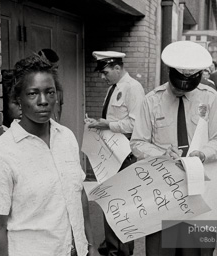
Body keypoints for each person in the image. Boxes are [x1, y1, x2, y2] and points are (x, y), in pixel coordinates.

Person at [0, 54, 100, 256]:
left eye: (50, 92)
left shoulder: (66, 137)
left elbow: (78, 194)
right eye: (33, 93)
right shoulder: (1, 155)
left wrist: (90, 245)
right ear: (18, 99)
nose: (43, 101)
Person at [130, 41, 217, 256]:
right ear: (169, 74)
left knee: (194, 250)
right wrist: (161, 154)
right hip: (162, 190)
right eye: (177, 85)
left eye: (188, 85)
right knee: (161, 250)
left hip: (199, 190)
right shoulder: (151, 101)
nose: (181, 90)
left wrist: (202, 154)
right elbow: (137, 142)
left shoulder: (210, 98)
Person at [86, 51, 145, 256]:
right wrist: (99, 125)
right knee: (110, 201)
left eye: (105, 72)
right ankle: (111, 245)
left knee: (123, 205)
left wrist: (107, 124)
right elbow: (112, 120)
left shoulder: (133, 88)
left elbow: (134, 124)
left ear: (118, 68)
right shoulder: (114, 88)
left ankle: (121, 251)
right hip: (111, 153)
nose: (103, 77)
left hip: (124, 154)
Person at [37, 48, 64, 122]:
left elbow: (59, 109)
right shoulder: (34, 88)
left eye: (57, 68)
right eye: (52, 68)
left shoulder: (58, 87)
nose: (55, 71)